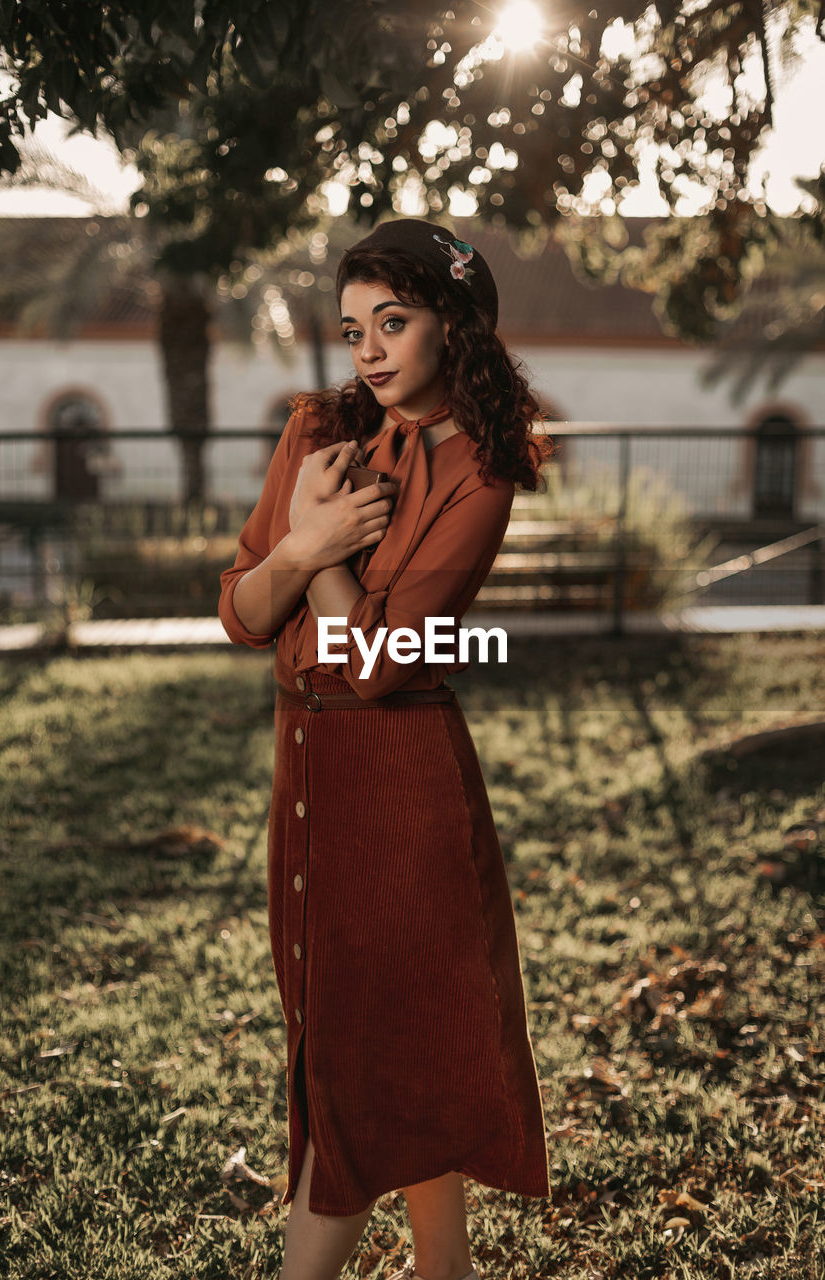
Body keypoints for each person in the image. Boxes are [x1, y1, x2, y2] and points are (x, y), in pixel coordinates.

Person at [218, 217, 556, 1280]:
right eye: (353, 324)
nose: (366, 347)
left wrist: (314, 555)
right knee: (376, 1042)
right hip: (308, 771)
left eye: (393, 322)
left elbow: (377, 659)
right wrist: (309, 546)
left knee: (356, 1069)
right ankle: (443, 1269)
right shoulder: (319, 427)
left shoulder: (484, 477)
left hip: (403, 791)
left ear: (452, 325)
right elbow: (237, 608)